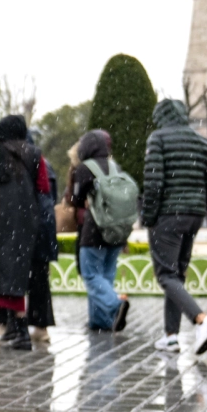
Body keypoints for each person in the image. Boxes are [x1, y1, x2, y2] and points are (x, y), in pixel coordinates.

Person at [142, 99, 207, 355]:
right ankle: (171, 336)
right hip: (194, 215)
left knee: (166, 275)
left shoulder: (159, 139)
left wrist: (149, 217)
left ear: (162, 116)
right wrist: (198, 206)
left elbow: (153, 182)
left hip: (167, 215)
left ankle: (201, 319)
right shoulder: (201, 142)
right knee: (176, 276)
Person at [0, 114, 51, 351]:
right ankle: (14, 328)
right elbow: (43, 187)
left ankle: (19, 329)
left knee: (3, 270)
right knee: (20, 271)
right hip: (28, 218)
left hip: (1, 218)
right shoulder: (35, 153)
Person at [68, 130, 131, 332]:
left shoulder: (85, 169)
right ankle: (100, 321)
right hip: (115, 232)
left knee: (91, 275)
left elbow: (76, 200)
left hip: (94, 231)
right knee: (105, 276)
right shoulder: (116, 167)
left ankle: (115, 304)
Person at [26, 128, 58, 342]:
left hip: (33, 225)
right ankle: (41, 324)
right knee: (40, 278)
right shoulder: (47, 165)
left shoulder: (28, 164)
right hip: (46, 226)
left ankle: (26, 322)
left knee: (30, 277)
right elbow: (52, 197)